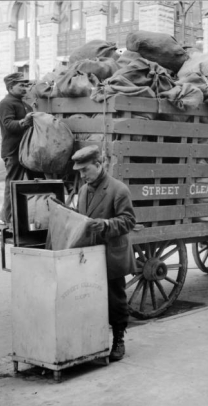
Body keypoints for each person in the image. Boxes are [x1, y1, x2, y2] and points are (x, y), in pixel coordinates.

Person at [72, 145, 137, 362]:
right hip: (90, 255)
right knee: (90, 298)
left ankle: (119, 339)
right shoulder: (83, 191)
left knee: (115, 299)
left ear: (99, 165)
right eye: (79, 172)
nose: (82, 176)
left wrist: (107, 224)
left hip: (111, 254)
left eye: (85, 170)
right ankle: (93, 342)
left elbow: (129, 221)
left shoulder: (119, 189)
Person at [0, 72, 36, 225]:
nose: (25, 88)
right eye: (21, 85)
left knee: (35, 182)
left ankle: (30, 215)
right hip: (13, 151)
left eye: (26, 85)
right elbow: (8, 125)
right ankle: (5, 217)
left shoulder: (25, 104)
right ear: (11, 87)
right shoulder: (5, 104)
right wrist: (24, 122)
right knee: (12, 183)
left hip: (26, 151)